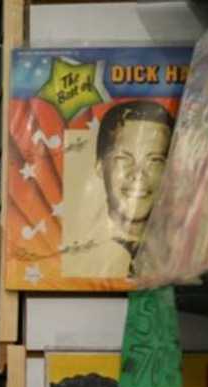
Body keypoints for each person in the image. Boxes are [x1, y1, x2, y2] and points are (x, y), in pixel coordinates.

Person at [62, 100, 174, 278]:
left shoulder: (185, 257)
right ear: (100, 166)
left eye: (154, 160)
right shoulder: (72, 255)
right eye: (123, 158)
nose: (138, 174)